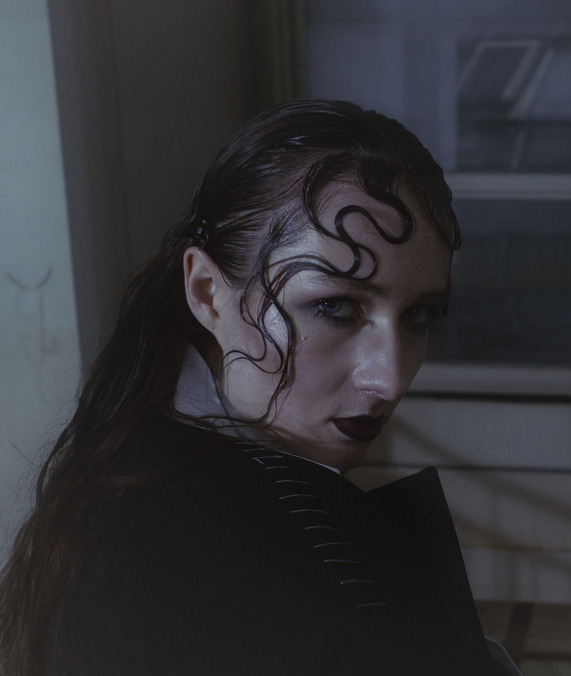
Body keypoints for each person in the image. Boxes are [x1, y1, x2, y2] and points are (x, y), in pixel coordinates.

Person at [0, 100, 519, 675]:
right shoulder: (245, 566)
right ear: (206, 292)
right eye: (334, 307)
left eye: (418, 317)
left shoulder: (135, 455)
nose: (388, 379)